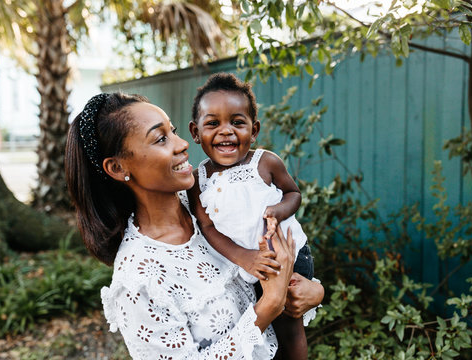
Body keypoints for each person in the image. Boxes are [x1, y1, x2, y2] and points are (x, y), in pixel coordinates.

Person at [65, 92, 323, 359]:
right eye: (161, 139)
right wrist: (268, 306)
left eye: (173, 131)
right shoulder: (139, 280)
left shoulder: (215, 208)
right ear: (118, 168)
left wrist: (314, 292)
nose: (182, 144)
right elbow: (270, 298)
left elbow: (282, 269)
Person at [187, 73, 323, 359]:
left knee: (289, 330)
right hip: (243, 265)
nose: (226, 131)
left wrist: (277, 210)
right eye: (213, 123)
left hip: (285, 257)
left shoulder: (265, 163)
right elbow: (207, 227)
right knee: (259, 332)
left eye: (237, 122)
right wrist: (244, 257)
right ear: (195, 132)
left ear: (254, 129)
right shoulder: (198, 180)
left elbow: (293, 194)